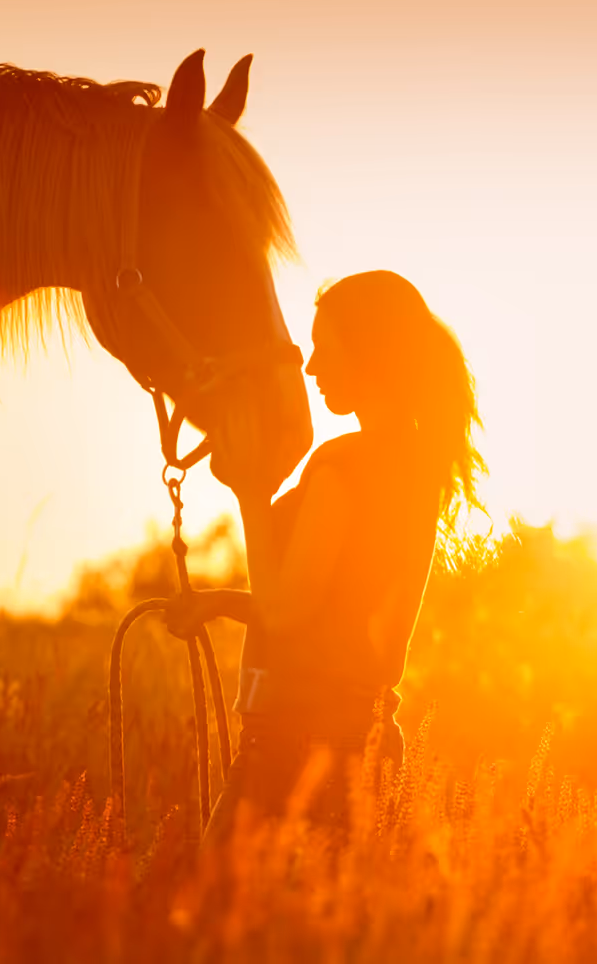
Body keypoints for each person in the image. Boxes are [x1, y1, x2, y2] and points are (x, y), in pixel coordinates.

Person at [170, 270, 485, 843]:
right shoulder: (418, 469)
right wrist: (220, 602)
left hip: (293, 753)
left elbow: (285, 611)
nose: (310, 367)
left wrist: (249, 493)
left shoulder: (342, 467)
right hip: (364, 741)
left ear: (366, 352)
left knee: (211, 921)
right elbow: (336, 620)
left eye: (322, 348)